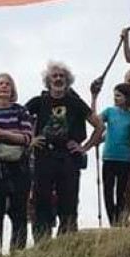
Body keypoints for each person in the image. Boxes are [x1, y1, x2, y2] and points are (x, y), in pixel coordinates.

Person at [26, 61, 103, 240]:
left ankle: (67, 243)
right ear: (48, 80)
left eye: (61, 76)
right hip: (44, 157)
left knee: (68, 203)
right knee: (42, 202)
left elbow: (99, 125)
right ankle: (42, 244)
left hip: (68, 158)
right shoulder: (39, 101)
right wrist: (30, 139)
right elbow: (20, 118)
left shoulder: (75, 102)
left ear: (67, 80)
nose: (58, 79)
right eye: (54, 76)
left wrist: (85, 147)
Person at [0, 73, 33, 252]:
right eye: (0, 84)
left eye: (7, 84)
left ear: (12, 89)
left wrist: (4, 135)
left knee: (19, 211)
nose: (3, 87)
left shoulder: (20, 110)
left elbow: (27, 137)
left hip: (19, 166)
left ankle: (18, 251)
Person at [97, 83, 130, 225]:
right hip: (108, 157)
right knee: (107, 192)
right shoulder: (109, 111)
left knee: (121, 192)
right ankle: (112, 221)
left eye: (118, 95)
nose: (115, 98)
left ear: (127, 97)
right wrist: (93, 98)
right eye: (115, 95)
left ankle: (119, 220)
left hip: (125, 158)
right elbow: (95, 121)